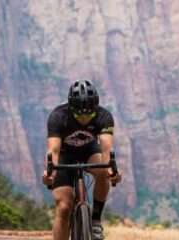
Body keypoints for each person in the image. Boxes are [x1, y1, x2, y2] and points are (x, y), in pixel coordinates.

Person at [41, 79, 123, 240]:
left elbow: (106, 149)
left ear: (96, 109)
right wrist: (50, 174)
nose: (85, 119)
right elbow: (54, 151)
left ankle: (95, 221)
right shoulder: (58, 116)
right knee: (64, 207)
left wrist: (112, 171)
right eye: (79, 115)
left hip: (88, 151)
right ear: (71, 109)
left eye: (90, 114)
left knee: (103, 171)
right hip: (64, 155)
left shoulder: (104, 116)